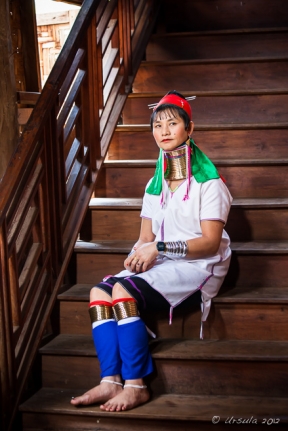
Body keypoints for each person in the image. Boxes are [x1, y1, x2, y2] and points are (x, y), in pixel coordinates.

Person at [71, 90, 233, 412]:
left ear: (190, 128)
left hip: (199, 264)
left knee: (123, 291)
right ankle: (110, 380)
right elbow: (144, 237)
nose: (164, 132)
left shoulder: (210, 183)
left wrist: (156, 248)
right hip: (162, 260)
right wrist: (137, 256)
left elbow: (211, 242)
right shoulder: (153, 185)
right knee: (99, 293)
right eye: (157, 126)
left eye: (172, 124)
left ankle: (136, 385)